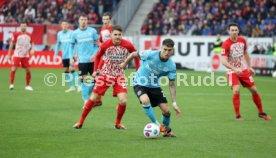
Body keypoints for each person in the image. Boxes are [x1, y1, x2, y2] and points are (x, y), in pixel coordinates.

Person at [73, 25, 140, 129]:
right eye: (115, 34)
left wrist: (138, 70)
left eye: (119, 35)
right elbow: (98, 56)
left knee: (123, 101)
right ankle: (80, 122)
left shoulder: (128, 44)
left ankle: (118, 123)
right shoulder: (106, 44)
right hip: (105, 75)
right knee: (93, 98)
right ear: (111, 35)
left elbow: (136, 55)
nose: (117, 37)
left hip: (119, 76)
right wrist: (95, 70)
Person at [120, 38, 181, 137]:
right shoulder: (149, 54)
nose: (166, 52)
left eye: (169, 50)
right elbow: (133, 54)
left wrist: (174, 103)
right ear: (161, 48)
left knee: (167, 111)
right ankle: (158, 125)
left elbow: (171, 84)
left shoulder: (171, 65)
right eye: (165, 49)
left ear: (172, 50)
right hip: (140, 82)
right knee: (145, 100)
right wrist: (124, 64)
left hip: (154, 86)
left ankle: (166, 132)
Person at [221, 23, 272, 121]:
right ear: (228, 31)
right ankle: (238, 115)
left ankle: (261, 113)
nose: (234, 32)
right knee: (236, 90)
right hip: (232, 71)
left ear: (238, 31)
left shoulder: (242, 40)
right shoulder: (226, 44)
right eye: (232, 30)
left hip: (243, 69)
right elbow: (223, 61)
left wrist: (249, 67)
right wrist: (234, 69)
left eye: (236, 30)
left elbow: (245, 53)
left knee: (254, 90)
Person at [71, 14, 99, 104]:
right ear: (78, 21)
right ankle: (86, 100)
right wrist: (73, 54)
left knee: (96, 81)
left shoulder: (92, 31)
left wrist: (94, 54)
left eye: (85, 19)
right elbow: (71, 45)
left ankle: (87, 94)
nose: (83, 21)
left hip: (92, 61)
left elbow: (97, 45)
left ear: (87, 21)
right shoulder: (75, 33)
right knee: (83, 81)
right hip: (82, 61)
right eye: (81, 19)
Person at [7, 21, 35, 91]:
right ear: (20, 27)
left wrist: (32, 49)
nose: (23, 27)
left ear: (26, 27)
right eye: (22, 26)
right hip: (17, 54)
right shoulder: (16, 34)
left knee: (28, 70)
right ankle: (11, 84)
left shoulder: (29, 35)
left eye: (24, 26)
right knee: (14, 68)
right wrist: (9, 54)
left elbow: (32, 43)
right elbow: (11, 44)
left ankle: (27, 86)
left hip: (25, 55)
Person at [54, 19, 80, 93]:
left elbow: (76, 43)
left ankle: (78, 86)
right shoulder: (59, 34)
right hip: (64, 56)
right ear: (61, 25)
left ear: (68, 25)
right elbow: (58, 44)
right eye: (63, 24)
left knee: (72, 69)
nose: (64, 26)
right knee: (66, 71)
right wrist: (55, 54)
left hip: (71, 55)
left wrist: (76, 53)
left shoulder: (72, 33)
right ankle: (71, 87)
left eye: (66, 24)